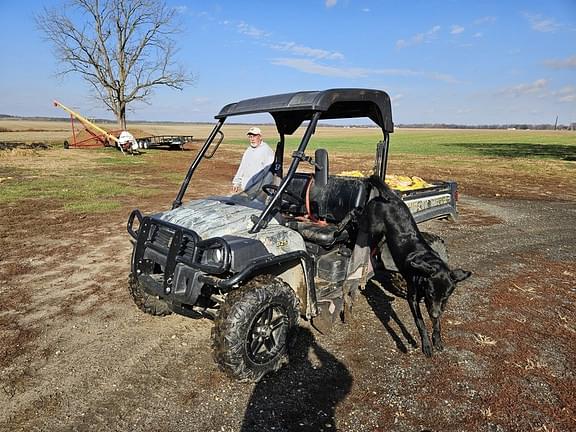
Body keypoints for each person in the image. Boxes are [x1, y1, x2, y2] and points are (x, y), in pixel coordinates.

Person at [232, 127, 275, 193]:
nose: (252, 139)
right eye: (250, 137)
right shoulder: (248, 150)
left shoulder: (267, 150)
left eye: (254, 136)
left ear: (260, 137)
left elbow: (269, 172)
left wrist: (262, 188)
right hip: (247, 188)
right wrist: (236, 182)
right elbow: (242, 167)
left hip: (258, 190)